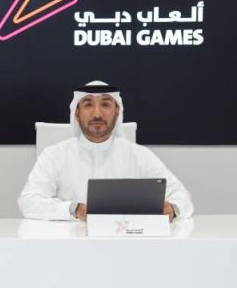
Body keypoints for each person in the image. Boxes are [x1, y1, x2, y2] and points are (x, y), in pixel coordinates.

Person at [18, 80, 194, 221]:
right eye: (88, 105)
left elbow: (181, 195)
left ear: (117, 112)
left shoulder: (139, 155)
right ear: (77, 113)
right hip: (70, 245)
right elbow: (29, 201)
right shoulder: (54, 155)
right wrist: (73, 209)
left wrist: (173, 209)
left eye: (105, 105)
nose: (97, 114)